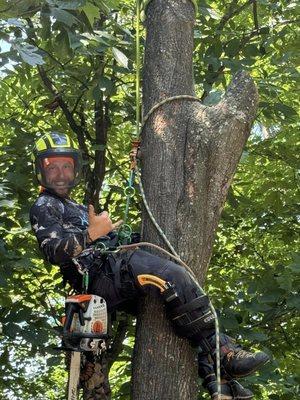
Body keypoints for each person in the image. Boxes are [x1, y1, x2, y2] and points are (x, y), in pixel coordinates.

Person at [30, 132, 269, 400]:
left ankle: (219, 380)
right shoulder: (44, 205)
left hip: (108, 278)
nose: (60, 173)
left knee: (180, 300)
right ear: (41, 169)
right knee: (169, 274)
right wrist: (92, 234)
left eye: (66, 166)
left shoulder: (72, 205)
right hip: (99, 278)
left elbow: (97, 243)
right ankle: (223, 354)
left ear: (75, 169)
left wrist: (117, 238)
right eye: (53, 167)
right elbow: (54, 252)